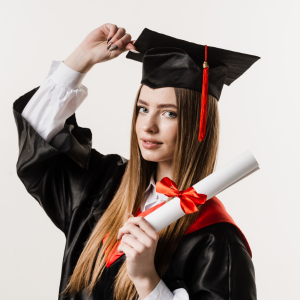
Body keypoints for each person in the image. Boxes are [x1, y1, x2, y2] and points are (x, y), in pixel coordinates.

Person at [13, 23, 259, 300]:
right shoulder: (102, 186)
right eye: (143, 109)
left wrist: (148, 282)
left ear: (198, 125)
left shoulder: (217, 239)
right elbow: (38, 142)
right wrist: (81, 59)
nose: (148, 126)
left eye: (169, 114)